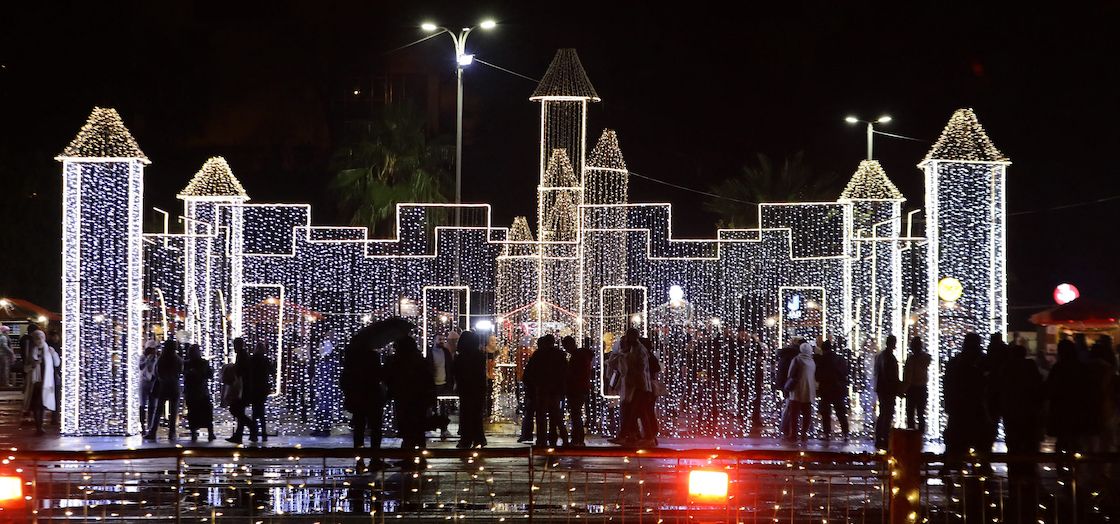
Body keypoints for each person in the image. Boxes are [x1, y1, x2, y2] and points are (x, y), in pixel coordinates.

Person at [944, 333, 991, 465]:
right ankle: (980, 469)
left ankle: (954, 469)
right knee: (980, 444)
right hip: (975, 408)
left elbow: (948, 384)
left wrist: (948, 404)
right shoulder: (982, 361)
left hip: (960, 409)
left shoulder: (956, 362)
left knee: (957, 445)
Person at [341, 330, 385, 471]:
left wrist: (349, 393)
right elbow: (378, 375)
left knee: (359, 429)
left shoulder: (350, 358)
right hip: (372, 396)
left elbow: (345, 379)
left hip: (358, 397)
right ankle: (375, 458)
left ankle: (360, 460)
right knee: (375, 429)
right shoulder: (373, 356)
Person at [386, 336, 435, 458]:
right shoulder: (419, 360)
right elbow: (428, 379)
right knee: (418, 428)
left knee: (407, 427)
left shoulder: (396, 361)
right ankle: (420, 455)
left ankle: (408, 455)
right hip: (419, 398)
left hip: (403, 398)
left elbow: (388, 377)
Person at [526, 334, 569, 447]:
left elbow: (530, 371)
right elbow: (564, 372)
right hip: (555, 390)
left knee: (541, 416)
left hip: (542, 389)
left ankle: (542, 440)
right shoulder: (560, 354)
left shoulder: (539, 354)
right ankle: (560, 438)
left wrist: (533, 385)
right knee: (556, 416)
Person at [1045, 339, 1086, 452]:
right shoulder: (1080, 367)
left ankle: (1059, 464)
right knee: (1075, 439)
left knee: (1061, 439)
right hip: (1077, 407)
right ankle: (1075, 465)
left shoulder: (1058, 367)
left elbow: (1050, 387)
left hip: (1060, 407)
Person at [453, 330, 487, 448]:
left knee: (466, 414)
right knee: (476, 414)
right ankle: (479, 438)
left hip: (465, 388)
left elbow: (456, 373)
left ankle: (466, 439)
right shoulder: (480, 355)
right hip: (478, 388)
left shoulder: (460, 357)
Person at [145, 339, 183, 442]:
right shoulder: (178, 359)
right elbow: (181, 371)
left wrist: (163, 378)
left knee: (159, 410)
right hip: (174, 386)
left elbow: (157, 372)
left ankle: (153, 431)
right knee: (173, 410)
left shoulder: (161, 359)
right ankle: (172, 432)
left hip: (164, 386)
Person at [25, 330, 60, 435]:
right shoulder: (32, 351)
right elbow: (26, 368)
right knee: (36, 405)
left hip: (47, 382)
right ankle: (38, 427)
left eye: (41, 338)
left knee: (42, 405)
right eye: (37, 338)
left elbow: (57, 363)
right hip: (35, 383)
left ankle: (40, 426)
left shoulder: (49, 350)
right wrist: (33, 365)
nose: (39, 340)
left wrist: (53, 354)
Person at [815, 339, 850, 442]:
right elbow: (845, 372)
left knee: (826, 413)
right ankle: (845, 433)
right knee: (841, 412)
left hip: (826, 389)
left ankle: (827, 433)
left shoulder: (821, 360)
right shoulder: (840, 359)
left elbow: (818, 375)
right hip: (838, 389)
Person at [223, 338, 256, 444]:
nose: (234, 347)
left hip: (242, 389)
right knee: (239, 411)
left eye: (235, 345)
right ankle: (239, 435)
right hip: (244, 388)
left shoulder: (242, 355)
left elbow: (240, 372)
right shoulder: (243, 355)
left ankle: (251, 427)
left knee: (235, 409)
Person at [564, 335, 593, 447]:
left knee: (575, 414)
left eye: (566, 346)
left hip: (576, 388)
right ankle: (578, 438)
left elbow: (574, 374)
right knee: (576, 414)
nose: (565, 349)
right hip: (581, 387)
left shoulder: (577, 357)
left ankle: (577, 438)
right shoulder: (582, 355)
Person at [872, 335, 901, 450]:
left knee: (884, 413)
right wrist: (896, 387)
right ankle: (883, 437)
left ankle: (880, 437)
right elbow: (890, 375)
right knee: (887, 414)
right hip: (887, 390)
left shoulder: (880, 356)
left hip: (882, 388)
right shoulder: (889, 357)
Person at [183, 344, 216, 441]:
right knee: (203, 413)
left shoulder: (189, 363)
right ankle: (208, 432)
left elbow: (209, 374)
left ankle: (197, 432)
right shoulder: (202, 363)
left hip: (195, 392)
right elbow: (210, 374)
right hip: (199, 392)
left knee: (195, 413)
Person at [786, 341, 817, 443]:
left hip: (797, 391)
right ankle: (804, 434)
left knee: (794, 414)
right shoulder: (812, 362)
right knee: (807, 414)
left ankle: (793, 434)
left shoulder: (797, 360)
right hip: (809, 391)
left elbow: (790, 374)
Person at [902, 337, 932, 436]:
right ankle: (920, 436)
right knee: (921, 414)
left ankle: (912, 437)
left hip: (912, 389)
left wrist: (903, 389)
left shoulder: (911, 360)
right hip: (922, 388)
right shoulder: (926, 358)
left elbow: (908, 377)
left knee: (910, 414)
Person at [427, 334, 455, 440]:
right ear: (434, 340)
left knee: (445, 408)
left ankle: (444, 429)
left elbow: (450, 368)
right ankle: (434, 427)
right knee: (433, 408)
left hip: (444, 384)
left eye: (443, 339)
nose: (442, 341)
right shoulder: (430, 353)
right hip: (433, 384)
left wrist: (451, 382)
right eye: (440, 339)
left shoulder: (446, 353)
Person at [775, 338, 802, 441]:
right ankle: (786, 429)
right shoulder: (794, 356)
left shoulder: (785, 354)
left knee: (789, 406)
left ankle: (786, 428)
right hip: (791, 384)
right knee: (790, 407)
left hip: (785, 384)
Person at [246, 342, 272, 442]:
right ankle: (263, 433)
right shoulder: (265, 360)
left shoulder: (251, 359)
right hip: (263, 388)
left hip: (253, 388)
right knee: (261, 411)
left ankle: (254, 434)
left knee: (255, 412)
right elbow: (272, 371)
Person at [515, 341, 536, 443]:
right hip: (540, 390)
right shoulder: (532, 354)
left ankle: (527, 434)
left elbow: (526, 376)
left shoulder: (533, 358)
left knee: (528, 413)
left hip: (533, 390)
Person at [138, 340, 159, 432]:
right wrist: (147, 360)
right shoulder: (143, 357)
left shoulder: (157, 358)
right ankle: (143, 425)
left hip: (153, 383)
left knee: (152, 405)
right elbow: (141, 367)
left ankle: (150, 426)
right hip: (144, 382)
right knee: (143, 404)